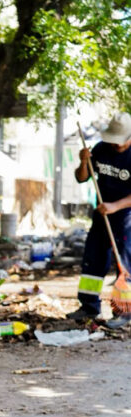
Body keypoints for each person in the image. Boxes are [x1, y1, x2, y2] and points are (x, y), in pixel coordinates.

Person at [70, 112, 131, 328]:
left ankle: (124, 311)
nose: (116, 145)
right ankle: (88, 306)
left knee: (125, 263)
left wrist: (116, 206)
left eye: (120, 141)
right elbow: (81, 177)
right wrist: (84, 162)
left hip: (125, 215)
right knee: (93, 258)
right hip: (101, 214)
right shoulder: (100, 149)